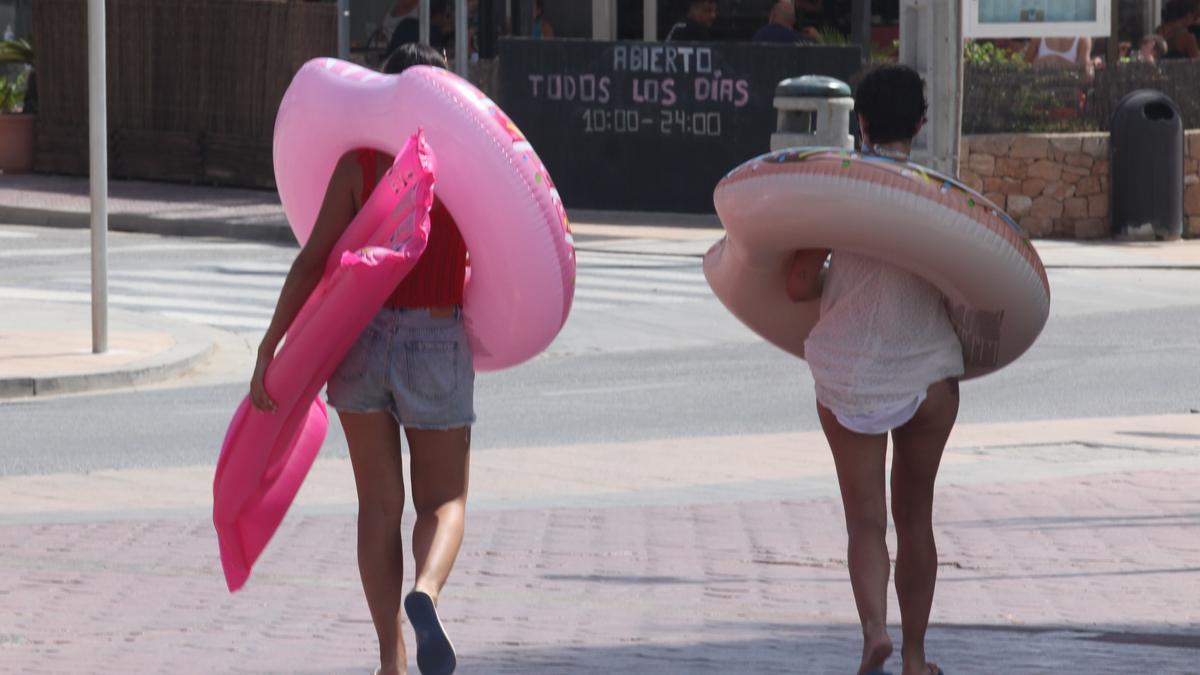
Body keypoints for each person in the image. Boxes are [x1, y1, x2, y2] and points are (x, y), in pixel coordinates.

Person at [250, 42, 473, 675]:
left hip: (361, 340)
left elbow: (314, 260)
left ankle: (389, 660)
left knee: (378, 505)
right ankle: (425, 593)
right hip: (436, 335)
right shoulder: (463, 160)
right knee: (444, 499)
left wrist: (273, 344)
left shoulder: (359, 165)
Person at [785, 64, 962, 675]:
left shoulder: (838, 193)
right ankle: (915, 656)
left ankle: (873, 634)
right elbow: (967, 287)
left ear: (858, 121)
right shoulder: (940, 192)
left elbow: (798, 281)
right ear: (920, 122)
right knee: (916, 519)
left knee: (865, 523)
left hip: (848, 377)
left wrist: (838, 272)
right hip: (926, 372)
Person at [1022, 36, 1094, 77]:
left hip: (1039, 94)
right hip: (1066, 95)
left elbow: (1023, 66)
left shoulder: (1039, 33)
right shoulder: (1084, 38)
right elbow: (1086, 75)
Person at [753, 0, 818, 44]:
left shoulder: (760, 35)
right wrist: (817, 38)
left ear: (772, 16)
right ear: (794, 21)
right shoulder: (798, 40)